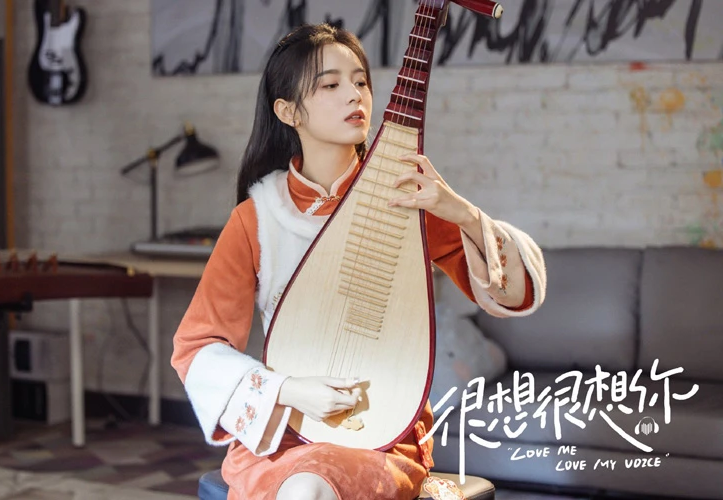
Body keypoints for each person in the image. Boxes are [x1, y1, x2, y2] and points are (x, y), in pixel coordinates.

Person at [172, 23, 547, 500]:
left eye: (361, 81)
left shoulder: (406, 199)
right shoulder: (259, 218)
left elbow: (515, 295)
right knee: (302, 483)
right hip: (285, 431)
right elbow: (196, 347)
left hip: (385, 436)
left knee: (308, 487)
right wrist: (287, 390)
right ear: (288, 112)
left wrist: (461, 213)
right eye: (330, 85)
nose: (355, 95)